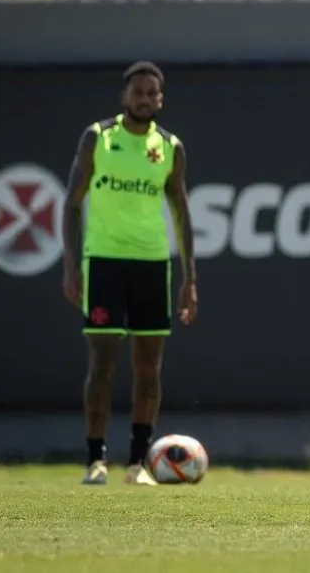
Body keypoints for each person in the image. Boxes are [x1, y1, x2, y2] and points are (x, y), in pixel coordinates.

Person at [61, 61, 198, 486]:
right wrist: (71, 265)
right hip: (103, 261)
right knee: (102, 363)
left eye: (152, 93)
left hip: (152, 264)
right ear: (125, 96)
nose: (145, 99)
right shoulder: (98, 138)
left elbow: (181, 211)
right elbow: (71, 203)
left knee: (148, 366)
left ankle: (138, 464)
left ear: (161, 99)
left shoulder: (170, 147)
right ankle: (95, 460)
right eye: (138, 92)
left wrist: (190, 278)